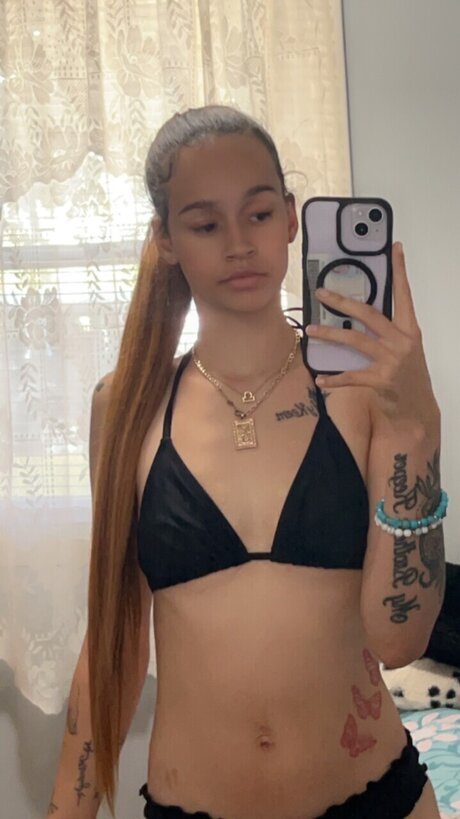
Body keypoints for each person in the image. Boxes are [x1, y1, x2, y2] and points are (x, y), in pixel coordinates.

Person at [46, 105, 446, 819]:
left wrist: (416, 428)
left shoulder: (361, 393)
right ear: (166, 240)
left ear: (292, 219)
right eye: (205, 224)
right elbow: (115, 640)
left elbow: (399, 637)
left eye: (258, 214)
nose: (238, 244)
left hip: (377, 800)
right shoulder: (128, 407)